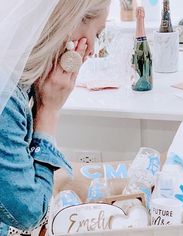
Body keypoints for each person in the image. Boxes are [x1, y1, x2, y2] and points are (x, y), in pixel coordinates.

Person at [0, 0, 111, 235]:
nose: (92, 48)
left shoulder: (16, 78)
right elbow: (29, 213)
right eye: (97, 33)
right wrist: (49, 112)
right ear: (69, 23)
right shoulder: (7, 97)